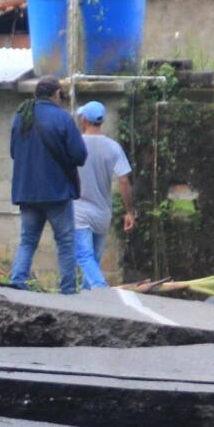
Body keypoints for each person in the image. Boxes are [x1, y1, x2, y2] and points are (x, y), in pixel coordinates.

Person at [8, 76, 88, 295]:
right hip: (56, 192)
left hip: (26, 192)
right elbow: (80, 155)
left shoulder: (21, 116)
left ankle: (17, 281)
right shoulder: (62, 119)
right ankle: (68, 290)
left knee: (27, 240)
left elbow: (14, 152)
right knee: (65, 241)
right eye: (61, 94)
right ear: (55, 94)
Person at [73, 100, 135, 289]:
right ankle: (89, 300)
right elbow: (124, 181)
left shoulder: (74, 144)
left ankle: (101, 289)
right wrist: (129, 212)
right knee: (93, 262)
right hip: (102, 213)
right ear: (101, 121)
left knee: (85, 257)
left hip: (78, 211)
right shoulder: (113, 147)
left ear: (84, 120)